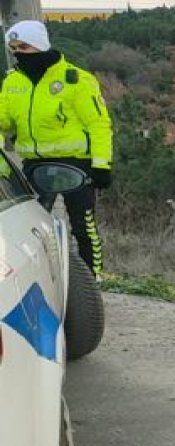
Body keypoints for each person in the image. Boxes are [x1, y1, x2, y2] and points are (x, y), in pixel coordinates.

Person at [0, 19, 113, 276]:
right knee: (31, 228)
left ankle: (92, 283)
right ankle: (40, 279)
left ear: (40, 45)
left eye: (24, 47)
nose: (19, 53)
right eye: (14, 47)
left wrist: (102, 165)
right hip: (34, 165)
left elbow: (99, 124)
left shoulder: (76, 80)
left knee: (83, 227)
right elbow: (4, 122)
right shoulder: (12, 82)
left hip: (76, 165)